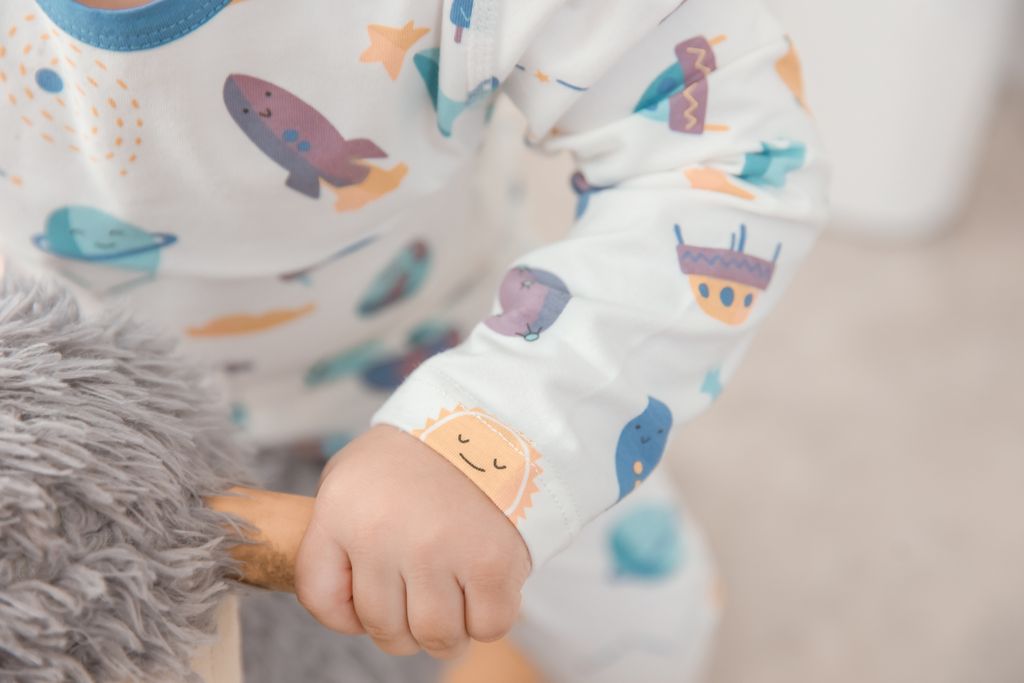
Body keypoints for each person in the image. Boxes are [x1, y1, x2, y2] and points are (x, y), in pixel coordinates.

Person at [0, 0, 827, 680]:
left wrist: (496, 431)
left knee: (641, 638)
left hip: (466, 353)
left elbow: (736, 153)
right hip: (97, 417)